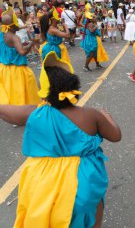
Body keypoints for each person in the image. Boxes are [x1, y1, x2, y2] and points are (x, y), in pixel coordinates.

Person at [0, 54, 121, 227]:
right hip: (83, 181)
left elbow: (5, 112)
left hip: (43, 183)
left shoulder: (33, 113)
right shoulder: (91, 115)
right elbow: (116, 136)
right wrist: (108, 118)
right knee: (93, 207)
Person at [0, 7, 40, 106]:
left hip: (4, 70)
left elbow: (9, 49)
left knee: (11, 93)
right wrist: (32, 43)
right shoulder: (15, 37)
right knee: (22, 95)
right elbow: (22, 52)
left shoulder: (1, 35)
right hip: (17, 71)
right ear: (13, 26)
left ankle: (12, 112)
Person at [39, 7, 73, 99]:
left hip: (52, 48)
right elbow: (67, 35)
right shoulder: (52, 29)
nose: (59, 18)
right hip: (52, 49)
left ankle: (53, 86)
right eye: (57, 17)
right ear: (53, 19)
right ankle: (51, 88)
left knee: (54, 68)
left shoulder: (53, 27)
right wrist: (66, 26)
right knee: (53, 68)